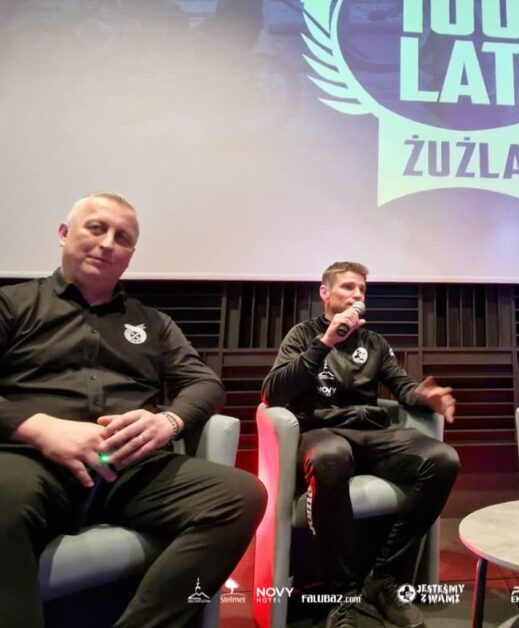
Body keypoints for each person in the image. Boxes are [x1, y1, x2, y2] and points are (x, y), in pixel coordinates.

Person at [0, 192, 267, 628]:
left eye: (122, 238)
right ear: (64, 233)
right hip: (31, 460)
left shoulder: (153, 323)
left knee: (242, 496)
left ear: (131, 255)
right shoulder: (13, 305)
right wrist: (38, 428)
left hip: (131, 467)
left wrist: (167, 421)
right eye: (96, 228)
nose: (108, 244)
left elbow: (205, 384)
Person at [262, 261, 460, 628]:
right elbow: (273, 394)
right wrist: (325, 343)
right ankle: (342, 594)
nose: (357, 295)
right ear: (325, 293)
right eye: (348, 287)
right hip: (321, 430)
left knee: (443, 459)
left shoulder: (374, 343)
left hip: (371, 431)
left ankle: (382, 578)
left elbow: (401, 386)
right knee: (330, 457)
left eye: (362, 290)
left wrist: (423, 396)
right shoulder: (302, 335)